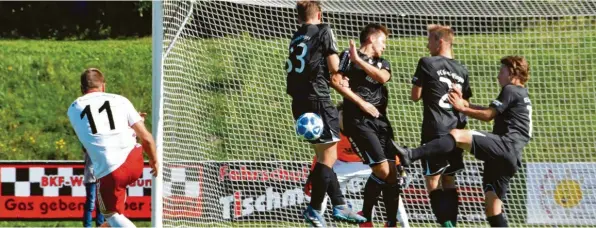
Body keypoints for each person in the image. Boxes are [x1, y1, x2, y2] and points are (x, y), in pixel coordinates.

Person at [395, 56, 533, 227]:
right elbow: (490, 110)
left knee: (457, 135)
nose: (498, 76)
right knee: (493, 211)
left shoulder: (510, 89)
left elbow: (488, 116)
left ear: (512, 72)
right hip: (510, 158)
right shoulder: (521, 93)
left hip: (505, 146)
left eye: (501, 71)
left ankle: (411, 154)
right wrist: (464, 103)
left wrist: (462, 108)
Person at [286, 1, 375, 226]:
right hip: (318, 100)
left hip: (299, 103)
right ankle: (314, 209)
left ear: (299, 18)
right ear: (319, 14)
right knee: (329, 158)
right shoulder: (324, 29)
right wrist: (343, 70)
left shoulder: (296, 36)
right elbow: (334, 67)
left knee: (324, 156)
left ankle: (339, 205)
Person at [67, 68, 158, 227]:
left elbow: (94, 137)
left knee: (111, 215)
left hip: (111, 170)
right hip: (135, 160)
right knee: (116, 217)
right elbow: (146, 138)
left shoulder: (74, 108)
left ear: (82, 89)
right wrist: (154, 160)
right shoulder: (121, 100)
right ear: (103, 86)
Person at [336, 23, 402, 227]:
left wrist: (359, 61)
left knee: (393, 173)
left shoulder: (382, 62)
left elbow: (382, 77)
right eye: (383, 41)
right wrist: (361, 102)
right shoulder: (347, 54)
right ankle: (366, 215)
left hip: (381, 121)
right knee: (382, 171)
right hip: (358, 121)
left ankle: (390, 223)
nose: (385, 46)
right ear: (371, 39)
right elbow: (337, 81)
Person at [304, 102, 411, 228]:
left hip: (367, 164)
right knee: (321, 188)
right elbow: (322, 156)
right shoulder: (332, 127)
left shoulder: (365, 127)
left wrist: (400, 169)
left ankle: (405, 225)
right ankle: (315, 222)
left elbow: (386, 148)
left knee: (392, 187)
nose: (341, 120)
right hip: (341, 165)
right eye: (340, 116)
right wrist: (313, 175)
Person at [410, 24, 472, 227]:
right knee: (449, 180)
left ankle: (446, 225)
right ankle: (452, 223)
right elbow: (465, 103)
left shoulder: (427, 63)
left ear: (440, 41)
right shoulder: (462, 69)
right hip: (456, 132)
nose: (427, 45)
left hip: (435, 131)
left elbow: (415, 96)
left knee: (433, 182)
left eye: (430, 40)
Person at [83, 150, 105, 227]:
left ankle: (100, 225)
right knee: (91, 204)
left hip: (101, 177)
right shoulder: (89, 142)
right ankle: (88, 226)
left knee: (101, 204)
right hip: (91, 177)